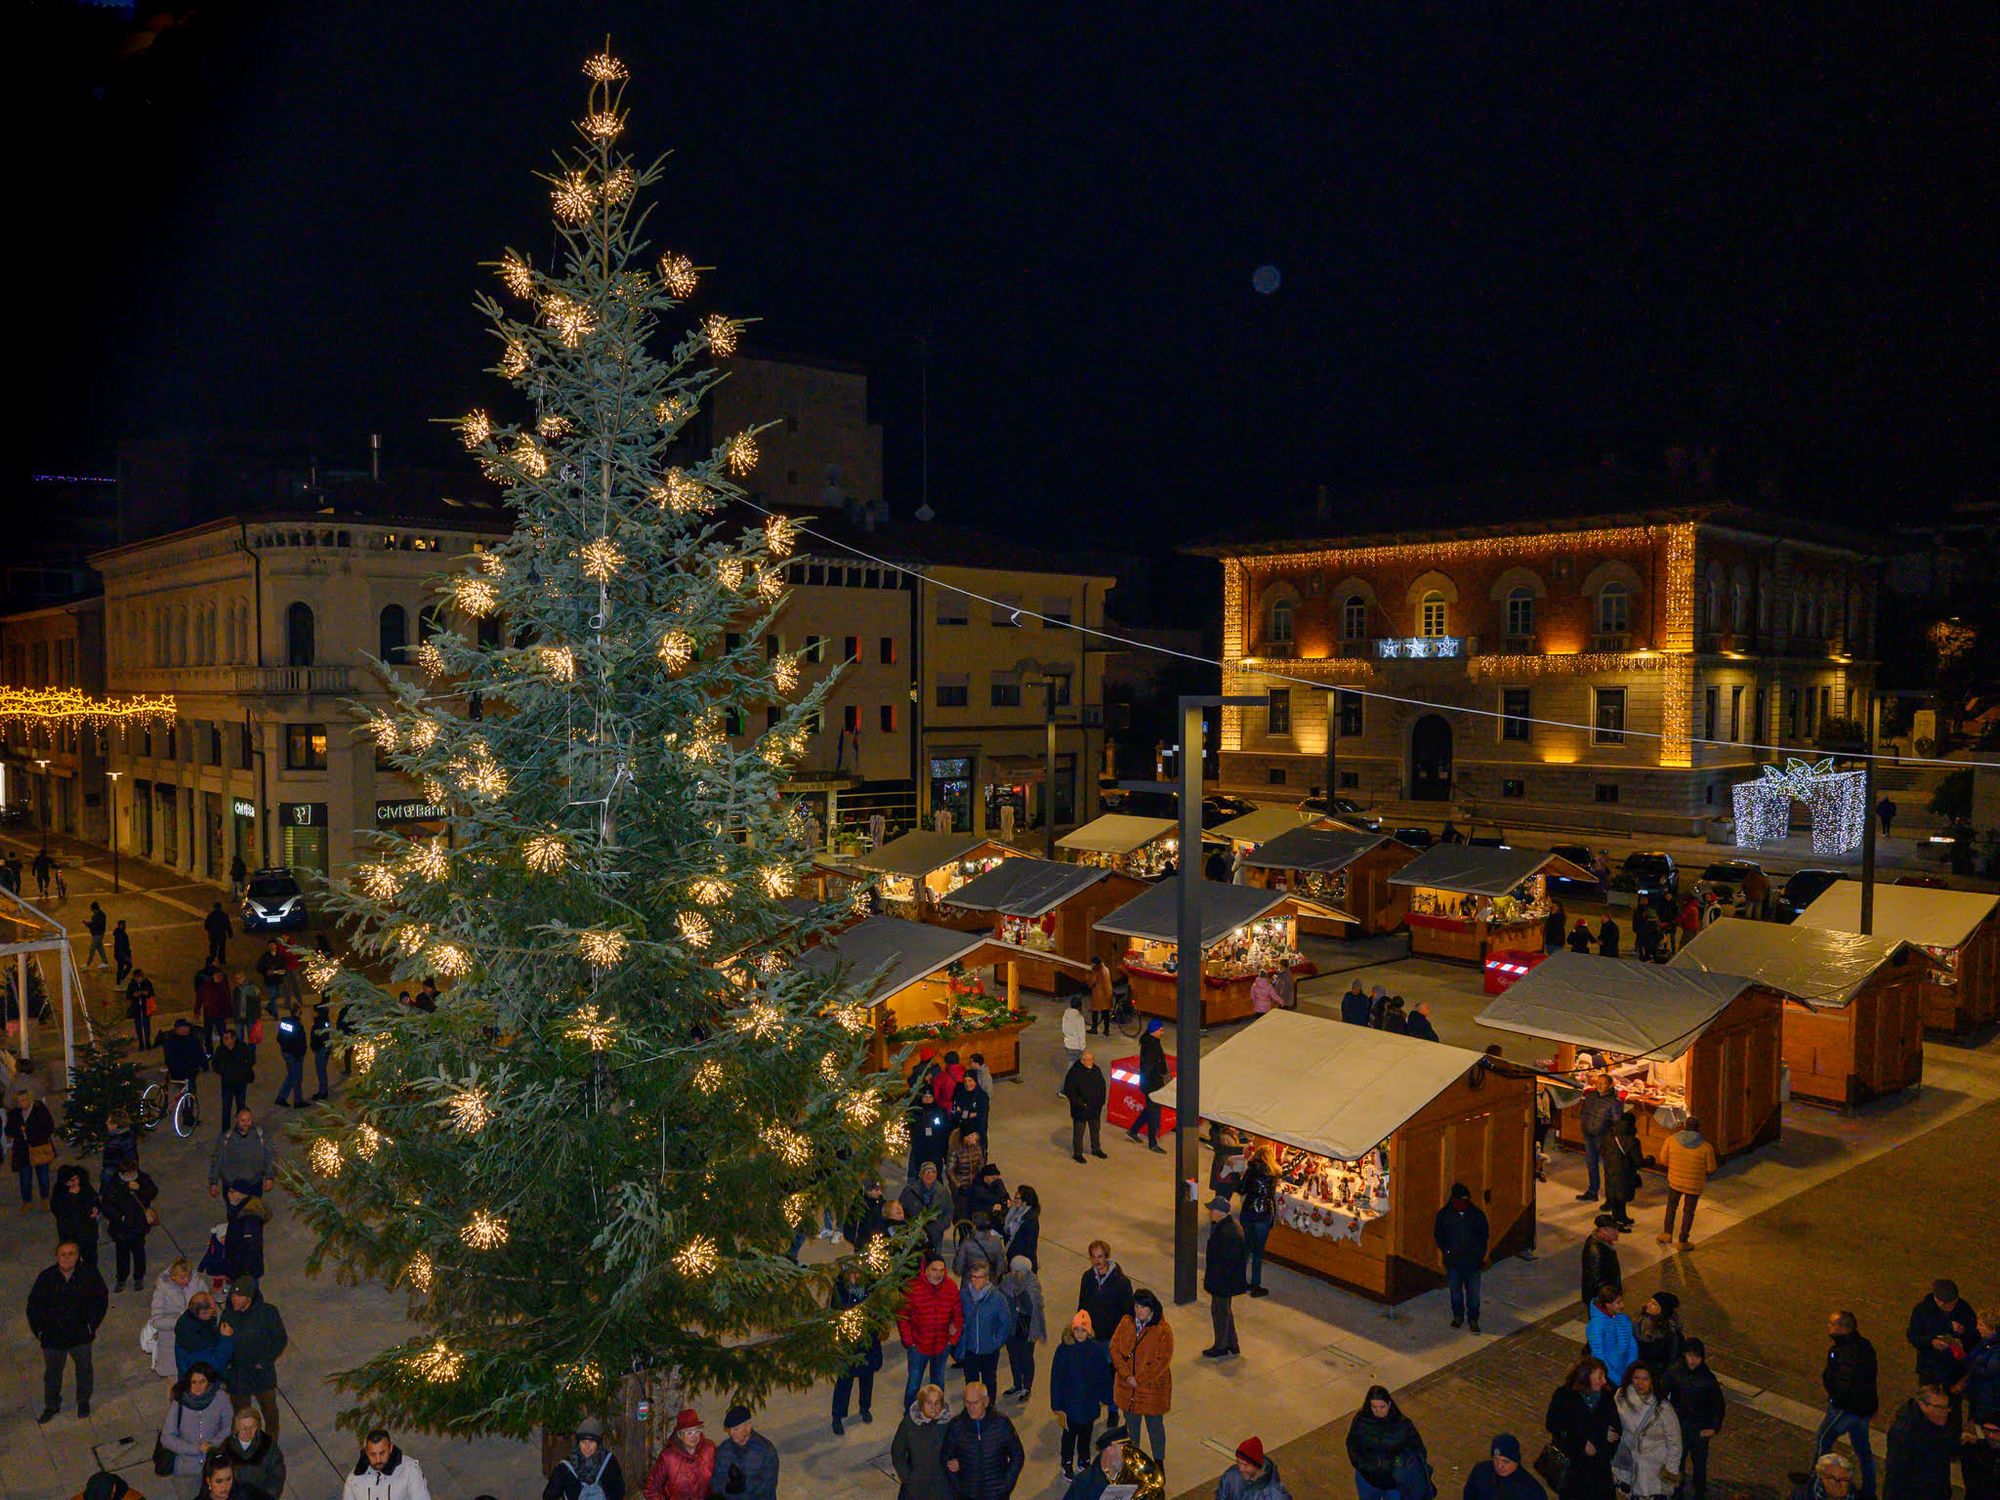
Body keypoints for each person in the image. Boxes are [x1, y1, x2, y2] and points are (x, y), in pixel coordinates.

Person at [28, 1240, 109, 1421]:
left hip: (80, 1336)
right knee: (52, 1373)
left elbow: (101, 1299)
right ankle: (52, 1405)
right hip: (53, 1339)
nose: (66, 1258)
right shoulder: (46, 1278)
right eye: (63, 1254)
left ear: (78, 1256)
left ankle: (83, 1400)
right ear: (56, 1257)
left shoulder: (89, 1274)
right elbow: (33, 1306)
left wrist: (90, 1325)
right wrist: (39, 1331)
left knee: (84, 1368)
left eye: (71, 1253)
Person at [1816, 1310, 1879, 1498]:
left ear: (1842, 1328)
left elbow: (1844, 1384)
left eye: (1832, 1324)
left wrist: (1835, 1400)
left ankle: (1817, 1479)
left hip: (1846, 1409)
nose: (1828, 1327)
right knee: (1862, 1449)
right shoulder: (1863, 1345)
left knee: (1823, 1439)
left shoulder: (1845, 1353)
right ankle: (1869, 1490)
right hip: (1863, 1408)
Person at [1109, 1289, 1173, 1468]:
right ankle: (1134, 1460)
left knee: (1155, 1427)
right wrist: (1126, 1374)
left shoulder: (1163, 1330)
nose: (1138, 1311)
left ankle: (1158, 1461)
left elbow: (1163, 1361)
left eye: (1143, 1307)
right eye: (1136, 1306)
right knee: (1131, 1428)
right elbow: (1114, 1348)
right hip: (1127, 1388)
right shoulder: (1126, 1322)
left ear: (1151, 1309)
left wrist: (1139, 1379)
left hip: (1152, 1390)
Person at [1546, 1357, 1622, 1500]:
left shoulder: (1605, 1396)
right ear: (1586, 1376)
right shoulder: (1565, 1396)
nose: (1604, 1381)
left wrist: (1602, 1439)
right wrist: (1581, 1442)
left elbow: (1615, 1428)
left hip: (1598, 1470)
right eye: (1599, 1377)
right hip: (1574, 1470)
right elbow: (1553, 1425)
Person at [220, 1274, 287, 1439]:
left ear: (249, 1298)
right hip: (238, 1375)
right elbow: (221, 1345)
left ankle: (270, 1444)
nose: (234, 1299)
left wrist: (266, 1361)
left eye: (239, 1296)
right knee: (241, 1415)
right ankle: (245, 1445)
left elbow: (279, 1339)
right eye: (233, 1295)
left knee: (270, 1411)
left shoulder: (268, 1313)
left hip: (262, 1373)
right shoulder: (228, 1315)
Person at [940, 1380, 1025, 1500]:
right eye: (967, 1403)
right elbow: (944, 1457)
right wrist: (959, 1488)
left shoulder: (1002, 1424)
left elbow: (1018, 1455)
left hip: (997, 1495)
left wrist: (1006, 1486)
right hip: (967, 1495)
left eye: (975, 1403)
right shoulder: (956, 1426)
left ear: (986, 1402)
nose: (971, 1408)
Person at [1051, 1313, 1113, 1478]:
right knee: (1069, 1436)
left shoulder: (1096, 1350)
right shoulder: (1064, 1350)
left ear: (1089, 1331)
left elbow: (1104, 1376)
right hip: (1070, 1406)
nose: (1079, 1333)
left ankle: (1084, 1458)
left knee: (1086, 1434)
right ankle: (1067, 1461)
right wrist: (1057, 1405)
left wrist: (1106, 1396)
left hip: (1089, 1404)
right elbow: (1056, 1378)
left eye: (1083, 1330)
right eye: (1076, 1329)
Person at [1660, 1338, 1723, 1500]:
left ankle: (1699, 1493)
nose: (1693, 1360)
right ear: (1684, 1355)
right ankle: (1677, 1493)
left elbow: (1718, 1405)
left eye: (1697, 1356)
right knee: (1677, 1462)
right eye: (1690, 1355)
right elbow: (1661, 1396)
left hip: (1700, 1429)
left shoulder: (1708, 1379)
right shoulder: (1674, 1372)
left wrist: (1714, 1428)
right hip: (1678, 1427)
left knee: (1700, 1465)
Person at [1611, 1363, 1683, 1500]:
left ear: (1652, 1382)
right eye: (1636, 1378)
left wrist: (1670, 1471)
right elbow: (1612, 1419)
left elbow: (1675, 1442)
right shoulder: (1620, 1398)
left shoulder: (1663, 1409)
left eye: (1645, 1379)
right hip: (1626, 1465)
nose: (1640, 1383)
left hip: (1652, 1472)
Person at [900, 1255, 964, 1408]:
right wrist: (909, 1341)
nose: (938, 1274)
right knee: (914, 1384)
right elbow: (902, 1316)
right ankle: (909, 1414)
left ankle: (937, 1412)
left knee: (938, 1383)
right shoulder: (912, 1288)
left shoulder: (951, 1287)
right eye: (934, 1270)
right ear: (925, 1270)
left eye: (942, 1270)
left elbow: (958, 1315)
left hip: (942, 1346)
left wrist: (953, 1339)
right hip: (919, 1347)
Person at [1345, 1384, 1429, 1500]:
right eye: (1374, 1407)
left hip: (1394, 1482)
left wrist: (1398, 1465)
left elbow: (1418, 1450)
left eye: (1382, 1407)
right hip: (1367, 1478)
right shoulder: (1361, 1421)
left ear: (1389, 1404)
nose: (1378, 1411)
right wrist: (1364, 1466)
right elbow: (1352, 1445)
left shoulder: (1403, 1425)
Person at [163, 1362, 234, 1492]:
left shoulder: (220, 1398)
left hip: (214, 1466)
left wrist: (212, 1444)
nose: (197, 1387)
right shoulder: (179, 1402)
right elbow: (167, 1437)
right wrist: (195, 1448)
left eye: (202, 1381)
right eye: (194, 1382)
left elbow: (229, 1426)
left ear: (209, 1382)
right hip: (187, 1469)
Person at [830, 1267, 882, 1434]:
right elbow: (836, 1311)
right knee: (844, 1382)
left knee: (867, 1379)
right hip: (849, 1345)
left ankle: (864, 1407)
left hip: (868, 1343)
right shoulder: (840, 1290)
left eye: (859, 1273)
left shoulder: (871, 1289)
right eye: (852, 1274)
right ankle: (837, 1416)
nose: (856, 1277)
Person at [1885, 1386, 1959, 1500]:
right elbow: (1896, 1473)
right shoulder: (1904, 1432)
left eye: (1947, 1407)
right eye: (1939, 1407)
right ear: (1922, 1405)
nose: (1945, 1412)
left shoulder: (1938, 1421)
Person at [1907, 1278, 1977, 1398]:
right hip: (1929, 1367)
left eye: (1953, 1303)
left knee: (1953, 1406)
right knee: (1927, 1402)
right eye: (1944, 1303)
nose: (1949, 1307)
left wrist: (1964, 1332)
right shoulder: (1922, 1310)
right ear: (1936, 1299)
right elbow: (1913, 1336)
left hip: (1954, 1369)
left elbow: (1976, 1335)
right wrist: (1931, 1342)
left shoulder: (1964, 1309)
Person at [1434, 1182, 1489, 1333]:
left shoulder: (1476, 1215)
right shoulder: (1445, 1215)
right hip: (1454, 1263)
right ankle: (1458, 1316)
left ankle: (1473, 1319)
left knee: (1474, 1294)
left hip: (1472, 1262)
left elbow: (1483, 1236)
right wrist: (1447, 1252)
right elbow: (1439, 1235)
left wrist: (1479, 1256)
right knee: (1455, 1292)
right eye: (1461, 1200)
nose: (1464, 1204)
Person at [100, 1157, 160, 1292]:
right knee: (122, 1255)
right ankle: (121, 1279)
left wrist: (139, 1189)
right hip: (120, 1228)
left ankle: (139, 1278)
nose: (130, 1176)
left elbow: (152, 1192)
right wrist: (119, 1218)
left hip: (138, 1226)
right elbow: (107, 1205)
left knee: (139, 1253)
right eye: (127, 1173)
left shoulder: (143, 1179)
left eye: (132, 1172)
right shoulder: (114, 1184)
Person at [1657, 1119, 1719, 1246]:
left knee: (1671, 1207)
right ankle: (1683, 1241)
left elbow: (1663, 1159)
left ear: (1684, 1126)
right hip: (1694, 1185)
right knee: (1688, 1211)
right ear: (1698, 1128)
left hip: (1675, 1181)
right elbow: (1711, 1168)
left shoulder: (1671, 1140)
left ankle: (1667, 1234)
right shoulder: (1706, 1147)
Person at [1203, 1194, 1247, 1359]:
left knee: (1219, 1312)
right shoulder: (1232, 1227)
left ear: (1220, 1212)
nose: (1210, 1213)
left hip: (1222, 1282)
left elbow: (1223, 1261)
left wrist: (1214, 1280)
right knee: (1225, 1311)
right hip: (1227, 1281)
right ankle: (1232, 1343)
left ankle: (1221, 1346)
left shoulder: (1226, 1233)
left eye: (1212, 1210)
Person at [959, 1260, 1013, 1395]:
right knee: (971, 1382)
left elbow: (1005, 1323)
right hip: (970, 1349)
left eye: (980, 1277)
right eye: (973, 1277)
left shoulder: (998, 1298)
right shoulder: (964, 1295)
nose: (976, 1281)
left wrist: (995, 1342)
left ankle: (989, 1409)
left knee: (989, 1381)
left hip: (989, 1350)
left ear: (987, 1278)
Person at [1066, 1426, 1162, 1500]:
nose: (1130, 1455)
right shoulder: (1083, 1483)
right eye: (1124, 1450)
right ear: (1109, 1450)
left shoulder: (1130, 1475)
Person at [892, 1384, 953, 1500]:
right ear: (921, 1404)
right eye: (929, 1403)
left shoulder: (950, 1425)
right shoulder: (909, 1424)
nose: (933, 1407)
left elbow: (959, 1450)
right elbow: (897, 1453)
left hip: (942, 1487)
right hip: (915, 1487)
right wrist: (908, 1478)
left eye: (937, 1403)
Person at [999, 1254, 1047, 1400]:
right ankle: (1016, 1385)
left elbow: (1034, 1306)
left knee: (1026, 1357)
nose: (1011, 1272)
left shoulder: (1032, 1284)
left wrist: (1020, 1292)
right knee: (1013, 1357)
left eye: (1014, 1270)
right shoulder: (1007, 1280)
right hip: (1011, 1326)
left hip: (1027, 1328)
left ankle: (1027, 1386)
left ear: (1022, 1272)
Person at [1077, 1241, 1134, 1358]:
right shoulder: (1087, 1278)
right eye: (1093, 1257)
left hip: (1111, 1338)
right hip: (1092, 1336)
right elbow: (1082, 1306)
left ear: (1106, 1257)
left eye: (1100, 1257)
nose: (1096, 1261)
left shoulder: (1121, 1282)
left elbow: (1128, 1312)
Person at [644, 1408, 716, 1500]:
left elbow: (719, 1480)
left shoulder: (709, 1450)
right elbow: (651, 1489)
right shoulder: (668, 1457)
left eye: (697, 1431)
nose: (694, 1436)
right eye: (689, 1433)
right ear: (679, 1435)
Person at [544, 1417, 624, 1500]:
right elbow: (549, 1495)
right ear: (578, 1443)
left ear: (598, 1444)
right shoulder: (565, 1467)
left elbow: (618, 1492)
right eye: (583, 1442)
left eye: (591, 1442)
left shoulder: (609, 1463)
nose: (587, 1447)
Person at [710, 1405, 778, 1500]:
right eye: (730, 1429)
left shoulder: (765, 1451)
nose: (732, 1433)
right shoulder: (724, 1449)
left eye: (736, 1429)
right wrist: (726, 1487)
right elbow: (716, 1481)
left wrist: (745, 1485)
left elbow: (768, 1486)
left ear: (748, 1426)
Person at [341, 1429, 431, 1500]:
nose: (378, 1459)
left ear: (390, 1448)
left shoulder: (410, 1471)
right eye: (372, 1454)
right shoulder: (354, 1479)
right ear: (366, 1452)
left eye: (382, 1453)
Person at [220, 1404, 286, 1498]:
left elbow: (277, 1475)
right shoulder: (226, 1448)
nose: (248, 1432)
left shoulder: (268, 1446)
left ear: (258, 1428)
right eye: (244, 1428)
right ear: (236, 1428)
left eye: (252, 1427)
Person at [210, 1107, 275, 1199]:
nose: (246, 1124)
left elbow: (269, 1157)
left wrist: (269, 1177)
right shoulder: (226, 1138)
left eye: (248, 1120)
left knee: (253, 1212)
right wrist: (213, 1182)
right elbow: (217, 1160)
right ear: (237, 1120)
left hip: (254, 1184)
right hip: (232, 1185)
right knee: (233, 1212)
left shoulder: (261, 1137)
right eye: (242, 1120)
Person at [149, 1258, 199, 1377]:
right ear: (173, 1277)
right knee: (174, 1379)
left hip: (193, 1339)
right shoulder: (162, 1291)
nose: (186, 1281)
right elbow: (156, 1320)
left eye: (188, 1277)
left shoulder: (197, 1284)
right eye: (182, 1278)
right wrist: (180, 1321)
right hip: (170, 1342)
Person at [8, 1084, 57, 1206]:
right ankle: (27, 1201)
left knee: (43, 1177)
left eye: (23, 1100)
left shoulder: (39, 1109)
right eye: (18, 1101)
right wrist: (20, 1131)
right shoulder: (14, 1113)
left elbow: (49, 1126)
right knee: (25, 1179)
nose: (21, 1103)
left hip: (39, 1147)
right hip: (22, 1151)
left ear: (29, 1099)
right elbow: (8, 1130)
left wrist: (30, 1131)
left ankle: (45, 1198)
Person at [1576, 1075, 1622, 1204]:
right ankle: (1592, 1191)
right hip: (1589, 1135)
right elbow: (1584, 1111)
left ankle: (1611, 1197)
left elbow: (1617, 1122)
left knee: (1609, 1167)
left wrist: (1610, 1136)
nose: (1600, 1086)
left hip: (1603, 1138)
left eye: (1603, 1083)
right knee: (1591, 1164)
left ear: (1610, 1085)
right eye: (1598, 1083)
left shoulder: (1614, 1102)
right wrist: (1584, 1126)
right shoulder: (1591, 1096)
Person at [1238, 1144, 1277, 1298]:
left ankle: (1240, 1282)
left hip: (1248, 1212)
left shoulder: (1250, 1171)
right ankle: (1255, 1286)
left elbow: (1241, 1189)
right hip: (1264, 1215)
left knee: (1246, 1248)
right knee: (1258, 1253)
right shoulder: (1274, 1173)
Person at [1463, 1433, 1545, 1500]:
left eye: (1505, 1462)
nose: (1499, 1466)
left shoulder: (1532, 1491)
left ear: (1516, 1460)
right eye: (1496, 1459)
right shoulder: (1481, 1471)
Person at [52, 1163, 103, 1270]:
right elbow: (60, 1211)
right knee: (72, 1259)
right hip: (70, 1232)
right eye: (71, 1181)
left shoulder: (85, 1186)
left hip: (88, 1229)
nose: (75, 1183)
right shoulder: (59, 1192)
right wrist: (72, 1197)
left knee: (90, 1256)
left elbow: (94, 1198)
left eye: (76, 1179)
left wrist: (96, 1208)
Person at [900, 1161, 956, 1256]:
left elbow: (949, 1210)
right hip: (915, 1234)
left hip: (935, 1234)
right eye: (927, 1172)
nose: (930, 1175)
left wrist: (941, 1226)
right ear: (921, 1174)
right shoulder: (910, 1191)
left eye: (933, 1172)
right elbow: (901, 1208)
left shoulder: (943, 1192)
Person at [1129, 1020, 1168, 1153]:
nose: (1162, 1033)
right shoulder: (1152, 1046)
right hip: (1152, 1085)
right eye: (1161, 1030)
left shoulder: (1150, 1041)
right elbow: (1149, 1066)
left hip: (1150, 1083)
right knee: (1154, 1113)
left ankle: (1133, 1131)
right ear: (1154, 1031)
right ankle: (1152, 1143)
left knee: (1150, 1110)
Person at [176, 1290, 233, 1381]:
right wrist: (226, 1339)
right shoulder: (194, 1341)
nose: (215, 1309)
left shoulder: (189, 1318)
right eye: (213, 1307)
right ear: (203, 1313)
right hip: (200, 1383)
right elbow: (218, 1364)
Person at [1588, 1289, 1640, 1387]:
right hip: (1610, 1376)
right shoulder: (1596, 1326)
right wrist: (1617, 1380)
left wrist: (1631, 1369)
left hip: (1626, 1371)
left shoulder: (1623, 1318)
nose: (1622, 1305)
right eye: (1618, 1302)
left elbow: (1632, 1345)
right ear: (1608, 1305)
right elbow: (1599, 1356)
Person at [1063, 1050, 1108, 1163]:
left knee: (1095, 1129)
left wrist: (1101, 1100)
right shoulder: (1074, 1073)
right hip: (1081, 1109)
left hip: (1095, 1107)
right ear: (1082, 1061)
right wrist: (1079, 1103)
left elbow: (1102, 1086)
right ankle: (1077, 1153)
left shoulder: (1096, 1070)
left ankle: (1096, 1148)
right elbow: (1069, 1090)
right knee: (1079, 1131)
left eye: (1092, 1059)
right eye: (1089, 1060)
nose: (1091, 1062)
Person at [1217, 1435, 1294, 1500]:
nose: (1241, 1468)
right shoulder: (1230, 1476)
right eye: (1239, 1462)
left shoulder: (1275, 1494)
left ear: (1257, 1465)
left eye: (1245, 1465)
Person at [1603, 1116, 1642, 1233]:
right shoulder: (1632, 1141)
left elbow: (1602, 1150)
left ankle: (1621, 1217)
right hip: (1625, 1173)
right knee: (1622, 1195)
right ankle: (1619, 1222)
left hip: (1611, 1170)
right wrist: (1649, 1162)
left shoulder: (1609, 1135)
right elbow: (1637, 1161)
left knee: (1615, 1195)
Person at [212, 1026, 257, 1123]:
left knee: (241, 1104)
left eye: (227, 1038)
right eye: (224, 1038)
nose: (225, 1041)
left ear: (234, 1038)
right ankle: (225, 1128)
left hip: (240, 1081)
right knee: (226, 1106)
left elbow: (252, 1060)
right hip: (227, 1082)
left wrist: (243, 1068)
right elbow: (215, 1064)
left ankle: (241, 1125)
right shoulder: (220, 1050)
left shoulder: (242, 1048)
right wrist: (223, 1071)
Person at [164, 1017, 208, 1113]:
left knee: (189, 1091)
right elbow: (169, 1057)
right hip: (178, 1070)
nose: (185, 1030)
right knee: (188, 1090)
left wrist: (204, 1065)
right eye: (182, 1028)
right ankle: (187, 1115)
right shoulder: (171, 1041)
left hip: (190, 1070)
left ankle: (188, 1114)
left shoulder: (193, 1039)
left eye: (186, 1027)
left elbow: (200, 1053)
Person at [1633, 1293, 1683, 1373]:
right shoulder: (1641, 1322)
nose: (1648, 1304)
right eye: (1650, 1301)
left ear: (1662, 1311)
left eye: (1654, 1304)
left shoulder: (1670, 1334)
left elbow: (1672, 1358)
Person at [911, 1087, 954, 1178]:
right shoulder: (915, 1112)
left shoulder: (940, 1112)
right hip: (920, 1149)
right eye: (925, 1097)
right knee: (920, 1173)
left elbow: (945, 1130)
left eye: (930, 1097)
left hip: (936, 1148)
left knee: (936, 1173)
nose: (927, 1099)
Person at [272, 1003, 308, 1107]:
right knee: (297, 1077)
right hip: (295, 1055)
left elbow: (279, 1038)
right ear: (297, 1011)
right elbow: (298, 1041)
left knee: (292, 1075)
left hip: (287, 1053)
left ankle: (281, 1097)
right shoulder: (297, 1024)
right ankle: (298, 1100)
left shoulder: (285, 1022)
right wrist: (298, 1053)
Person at [1582, 1216, 1621, 1312]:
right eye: (1614, 1230)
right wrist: (1609, 1298)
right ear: (1604, 1231)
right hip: (1602, 1300)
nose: (1617, 1233)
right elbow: (1594, 1278)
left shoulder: (1603, 1243)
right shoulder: (1595, 1252)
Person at [1968, 1307, 2000, 1422]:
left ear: (1992, 1328)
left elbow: (1990, 1371)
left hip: (1990, 1401)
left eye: (1981, 1325)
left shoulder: (1995, 1348)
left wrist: (1970, 1365)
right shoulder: (1984, 1344)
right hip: (1982, 1397)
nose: (1977, 1328)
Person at [1003, 1184, 1041, 1271]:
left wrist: (1027, 1264)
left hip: (1021, 1259)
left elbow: (1030, 1245)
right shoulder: (1013, 1212)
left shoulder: (1029, 1220)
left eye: (1017, 1198)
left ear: (1025, 1201)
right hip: (1011, 1254)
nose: (1014, 1200)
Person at [309, 996, 334, 1101]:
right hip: (324, 1048)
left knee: (321, 1071)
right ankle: (323, 1090)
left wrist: (315, 1046)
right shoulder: (324, 1020)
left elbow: (320, 1037)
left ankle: (322, 1092)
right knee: (321, 1070)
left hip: (321, 1049)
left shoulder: (320, 1023)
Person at [129, 969, 160, 1050]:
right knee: (138, 1026)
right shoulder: (131, 984)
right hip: (136, 1008)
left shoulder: (147, 983)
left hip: (146, 1008)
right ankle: (141, 1043)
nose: (139, 979)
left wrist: (144, 993)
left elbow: (152, 993)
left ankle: (147, 1041)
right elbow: (128, 995)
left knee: (146, 1026)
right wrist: (134, 995)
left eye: (140, 977)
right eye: (137, 977)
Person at [1087, 957, 1114, 1036]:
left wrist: (1089, 974)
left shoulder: (1097, 971)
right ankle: (1106, 1030)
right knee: (1106, 1013)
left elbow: (1092, 983)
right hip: (1107, 994)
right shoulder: (1106, 969)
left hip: (1098, 995)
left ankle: (1094, 1028)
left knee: (1095, 1012)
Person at [1061, 996, 1087, 1079]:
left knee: (1075, 1068)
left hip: (1067, 1043)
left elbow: (1063, 1029)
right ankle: (1063, 1089)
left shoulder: (1066, 1015)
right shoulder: (1079, 1018)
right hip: (1076, 1046)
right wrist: (1083, 1048)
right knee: (1072, 1069)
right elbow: (1081, 1034)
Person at [85, 901, 109, 968]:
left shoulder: (97, 916)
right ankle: (105, 962)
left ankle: (87, 964)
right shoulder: (101, 914)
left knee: (92, 949)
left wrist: (87, 924)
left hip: (97, 934)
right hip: (99, 933)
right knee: (100, 948)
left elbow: (95, 925)